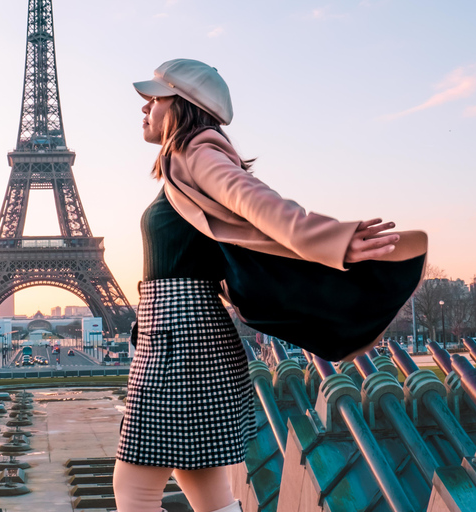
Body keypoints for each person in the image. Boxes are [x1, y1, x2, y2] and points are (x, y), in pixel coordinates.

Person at [113, 59, 425, 512]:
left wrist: (335, 239)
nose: (144, 107)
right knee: (201, 481)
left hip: (181, 339)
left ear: (182, 105)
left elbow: (260, 204)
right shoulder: (182, 166)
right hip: (182, 334)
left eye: (154, 98)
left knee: (134, 487)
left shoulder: (197, 153)